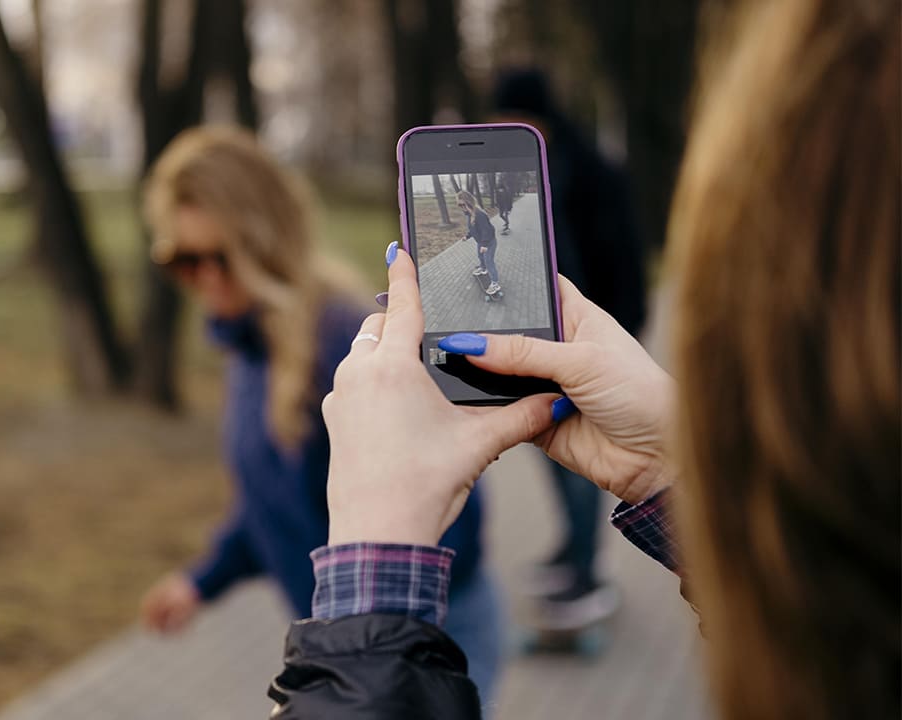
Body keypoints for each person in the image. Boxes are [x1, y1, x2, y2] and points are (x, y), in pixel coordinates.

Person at [269, 0, 899, 717]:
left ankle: (579, 570)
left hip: (582, 354)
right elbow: (848, 653)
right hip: (578, 372)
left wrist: (374, 568)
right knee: (572, 479)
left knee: (575, 497)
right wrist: (667, 472)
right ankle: (575, 565)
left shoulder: (589, 172)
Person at [134, 126, 506, 701]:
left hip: (423, 638)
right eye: (182, 260)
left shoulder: (341, 344)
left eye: (219, 257)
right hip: (354, 644)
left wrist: (368, 650)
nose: (203, 278)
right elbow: (275, 503)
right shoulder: (254, 348)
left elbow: (454, 505)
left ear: (261, 239)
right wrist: (200, 582)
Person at [492, 68, 647, 623]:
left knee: (585, 460)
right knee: (558, 452)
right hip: (552, 332)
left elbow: (621, 256)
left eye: (512, 116)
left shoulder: (588, 169)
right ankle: (570, 549)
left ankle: (587, 570)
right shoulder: (534, 165)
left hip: (596, 335)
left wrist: (621, 332)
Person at [456, 190, 501, 296]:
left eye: (463, 204)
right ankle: (483, 268)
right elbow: (474, 229)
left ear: (469, 202)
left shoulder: (479, 214)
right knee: (480, 256)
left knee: (489, 261)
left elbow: (487, 230)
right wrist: (467, 236)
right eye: (459, 205)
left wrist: (485, 245)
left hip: (489, 242)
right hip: (481, 241)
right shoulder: (469, 214)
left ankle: (495, 283)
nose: (461, 207)